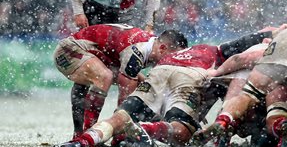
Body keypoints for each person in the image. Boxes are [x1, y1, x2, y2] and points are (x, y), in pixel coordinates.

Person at [51, 30, 276, 147]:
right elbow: (243, 48)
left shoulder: (167, 54)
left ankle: (83, 141)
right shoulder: (213, 50)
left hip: (158, 73)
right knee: (180, 133)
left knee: (118, 117)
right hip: (188, 77)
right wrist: (274, 31)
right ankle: (144, 128)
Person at [67, 0, 162, 140]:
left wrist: (149, 23)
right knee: (87, 75)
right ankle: (80, 131)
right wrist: (79, 13)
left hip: (123, 18)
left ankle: (119, 131)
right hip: (94, 13)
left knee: (128, 75)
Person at [53, 24, 187, 139]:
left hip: (91, 52)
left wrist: (178, 108)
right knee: (105, 77)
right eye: (172, 57)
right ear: (162, 48)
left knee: (144, 86)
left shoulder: (146, 47)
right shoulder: (137, 52)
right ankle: (88, 135)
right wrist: (119, 132)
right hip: (68, 49)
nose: (172, 62)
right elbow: (124, 99)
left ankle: (81, 134)